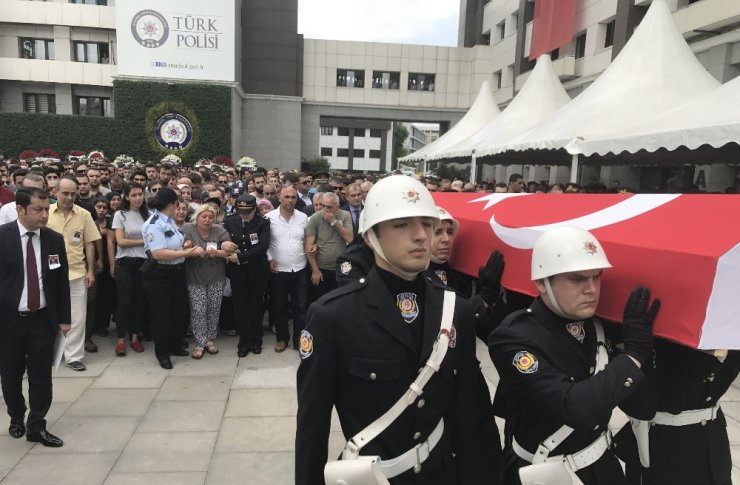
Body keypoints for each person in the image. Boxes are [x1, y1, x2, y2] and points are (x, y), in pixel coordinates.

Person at [296, 175, 496, 485]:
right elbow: (312, 429)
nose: (420, 236)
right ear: (371, 234)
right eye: (402, 224)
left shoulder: (456, 309)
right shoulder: (333, 317)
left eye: (427, 224)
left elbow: (471, 413)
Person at [488, 226, 659, 485]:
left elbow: (642, 408)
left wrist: (639, 350)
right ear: (541, 283)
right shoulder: (514, 336)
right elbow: (575, 407)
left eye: (597, 276)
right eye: (577, 279)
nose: (591, 289)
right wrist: (633, 357)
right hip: (544, 473)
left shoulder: (598, 326)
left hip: (603, 468)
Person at [0, 187, 70, 447]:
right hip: (9, 322)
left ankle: (37, 425)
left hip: (42, 319)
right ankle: (16, 415)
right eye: (38, 210)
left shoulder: (53, 239)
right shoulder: (3, 237)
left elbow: (61, 282)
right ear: (20, 210)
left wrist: (64, 318)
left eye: (46, 209)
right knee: (10, 375)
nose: (44, 216)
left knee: (42, 376)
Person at [616, 340, 740, 485]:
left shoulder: (730, 329)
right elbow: (672, 400)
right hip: (667, 447)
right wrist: (712, 353)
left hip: (713, 442)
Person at [142, 188, 205, 369]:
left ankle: (174, 345)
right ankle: (162, 353)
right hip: (159, 273)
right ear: (170, 205)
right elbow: (158, 252)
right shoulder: (154, 223)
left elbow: (175, 244)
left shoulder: (169, 222)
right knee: (162, 316)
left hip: (176, 271)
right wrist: (189, 251)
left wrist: (185, 245)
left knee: (180, 311)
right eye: (176, 203)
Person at [46, 176, 101, 372]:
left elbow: (90, 243)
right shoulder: (47, 213)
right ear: (55, 192)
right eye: (65, 193)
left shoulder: (84, 214)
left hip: (77, 272)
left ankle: (74, 357)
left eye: (72, 193)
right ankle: (48, 354)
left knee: (78, 317)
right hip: (50, 274)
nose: (69, 197)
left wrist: (91, 270)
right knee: (48, 315)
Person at [182, 204, 235, 359]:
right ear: (196, 217)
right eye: (203, 216)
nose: (207, 220)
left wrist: (217, 252)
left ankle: (210, 340)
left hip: (216, 276)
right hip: (194, 276)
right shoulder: (187, 229)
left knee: (213, 308)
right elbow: (180, 248)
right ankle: (199, 342)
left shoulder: (219, 230)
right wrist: (189, 248)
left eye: (210, 217)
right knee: (198, 309)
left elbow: (229, 249)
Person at [223, 193, 270, 357]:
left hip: (256, 271)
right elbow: (222, 240)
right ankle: (244, 341)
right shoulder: (230, 221)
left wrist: (241, 257)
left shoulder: (262, 223)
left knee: (256, 306)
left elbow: (262, 247)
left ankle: (257, 340)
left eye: (248, 213)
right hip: (237, 272)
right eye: (242, 213)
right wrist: (224, 245)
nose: (245, 216)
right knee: (241, 307)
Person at [266, 186, 309, 352]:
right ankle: (282, 339)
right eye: (287, 197)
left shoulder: (303, 218)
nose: (290, 200)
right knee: (279, 306)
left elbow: (307, 239)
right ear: (279, 197)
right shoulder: (269, 218)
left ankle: (299, 340)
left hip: (300, 268)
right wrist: (269, 258)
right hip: (279, 270)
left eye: (293, 197)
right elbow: (265, 242)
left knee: (301, 307)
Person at [110, 182, 148, 356]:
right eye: (134, 195)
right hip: (124, 262)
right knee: (124, 302)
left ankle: (134, 337)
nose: (138, 198)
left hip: (143, 263)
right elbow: (121, 241)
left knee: (139, 302)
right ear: (126, 197)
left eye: (140, 194)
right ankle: (120, 339)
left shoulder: (148, 214)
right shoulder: (120, 214)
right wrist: (145, 241)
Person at [305, 192, 353, 302]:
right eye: (323, 205)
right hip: (322, 268)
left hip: (341, 268)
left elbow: (350, 239)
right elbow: (309, 246)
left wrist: (334, 222)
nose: (324, 209)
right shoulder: (315, 218)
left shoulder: (345, 215)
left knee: (340, 302)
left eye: (329, 207)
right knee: (320, 302)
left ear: (338, 207)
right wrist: (315, 270)